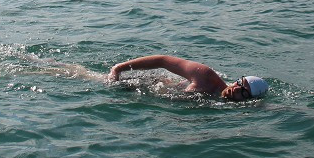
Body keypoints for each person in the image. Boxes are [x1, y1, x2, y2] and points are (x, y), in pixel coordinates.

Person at [108, 55, 268, 101]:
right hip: (142, 86)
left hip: (146, 99)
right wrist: (119, 68)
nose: (235, 89)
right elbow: (162, 60)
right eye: (239, 82)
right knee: (97, 80)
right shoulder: (205, 76)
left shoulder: (221, 105)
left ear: (248, 100)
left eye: (243, 91)